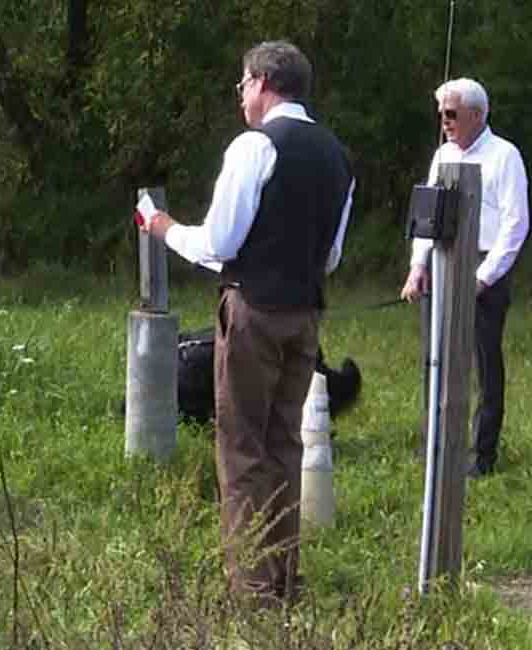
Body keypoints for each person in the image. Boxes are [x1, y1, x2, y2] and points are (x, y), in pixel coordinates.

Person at [143, 41, 354, 603]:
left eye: (242, 85)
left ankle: (252, 587)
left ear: (262, 82)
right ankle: (284, 578)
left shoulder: (254, 146)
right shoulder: (338, 155)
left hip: (253, 309)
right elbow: (331, 255)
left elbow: (218, 243)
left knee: (240, 449)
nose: (240, 96)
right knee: (286, 446)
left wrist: (164, 228)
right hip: (305, 313)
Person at [400, 78, 529, 477]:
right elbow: (427, 215)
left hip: (484, 263)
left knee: (483, 363)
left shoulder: (505, 156)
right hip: (441, 261)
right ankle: (436, 443)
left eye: (452, 114)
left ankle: (480, 454)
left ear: (477, 114)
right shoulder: (442, 155)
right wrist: (418, 266)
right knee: (433, 357)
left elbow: (516, 224)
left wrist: (484, 278)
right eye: (440, 114)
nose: (445, 122)